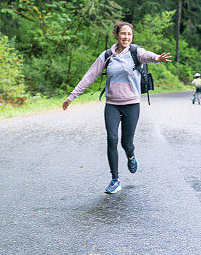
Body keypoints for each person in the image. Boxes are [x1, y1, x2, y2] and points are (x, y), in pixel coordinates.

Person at [62, 21, 171, 194]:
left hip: (131, 105)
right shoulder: (107, 55)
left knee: (126, 143)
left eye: (129, 34)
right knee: (111, 138)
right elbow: (89, 76)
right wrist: (71, 97)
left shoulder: (136, 52)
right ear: (116, 35)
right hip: (112, 104)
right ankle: (115, 179)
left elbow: (148, 55)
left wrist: (157, 58)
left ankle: (131, 155)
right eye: (123, 34)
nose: (126, 37)